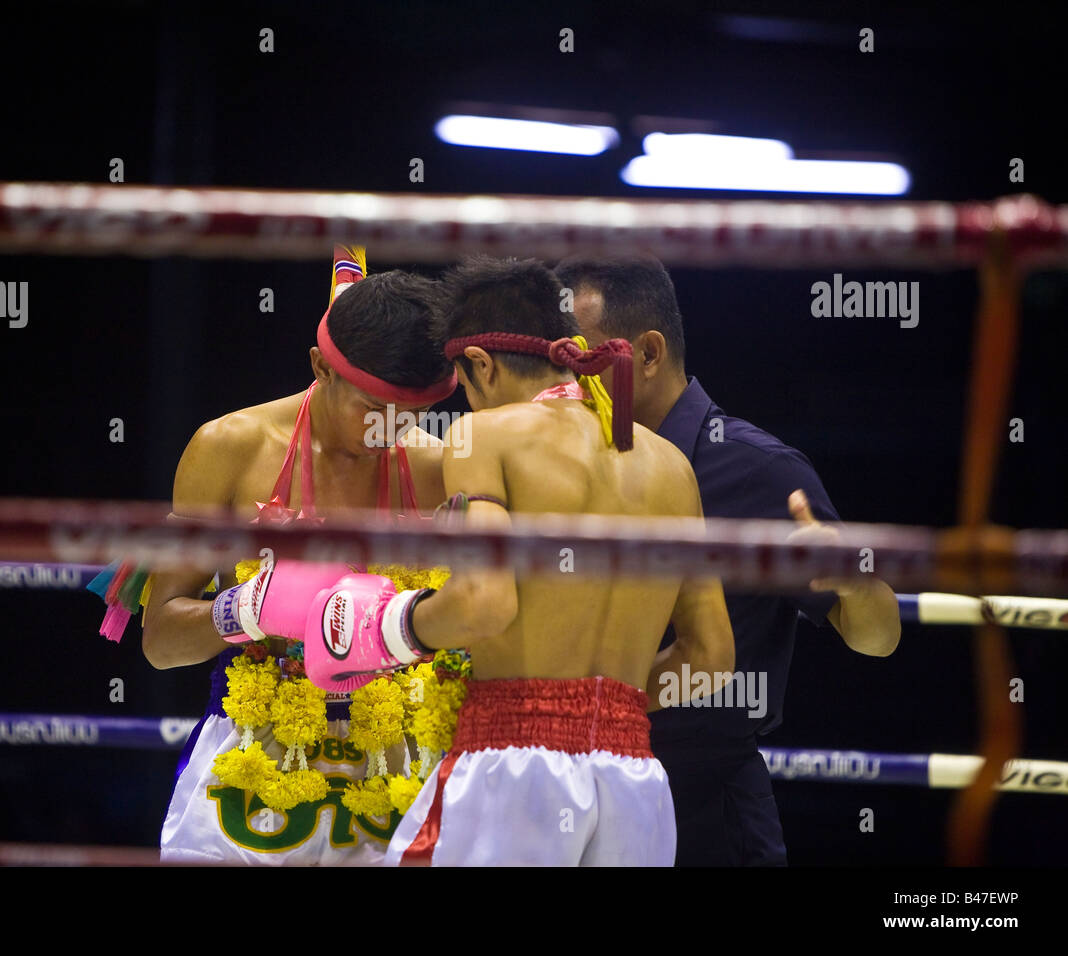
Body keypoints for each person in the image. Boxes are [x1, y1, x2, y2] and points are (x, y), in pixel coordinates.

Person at [301, 256, 736, 866]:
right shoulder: (671, 464)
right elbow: (711, 659)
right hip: (634, 781)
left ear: (480, 364)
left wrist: (382, 628)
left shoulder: (483, 436)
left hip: (513, 767)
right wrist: (599, 707)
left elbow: (484, 602)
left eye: (463, 384)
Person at [554, 254, 901, 866]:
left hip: (704, 805)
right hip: (573, 790)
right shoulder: (558, 463)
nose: (565, 383)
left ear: (648, 354)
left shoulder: (760, 471)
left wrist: (856, 582)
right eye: (557, 362)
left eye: (582, 360)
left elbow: (877, 639)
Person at [142, 248, 458, 864]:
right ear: (321, 367)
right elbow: (160, 643)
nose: (390, 431)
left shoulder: (440, 467)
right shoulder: (231, 448)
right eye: (374, 410)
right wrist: (246, 609)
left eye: (414, 414)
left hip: (399, 770)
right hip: (253, 762)